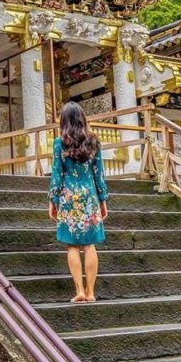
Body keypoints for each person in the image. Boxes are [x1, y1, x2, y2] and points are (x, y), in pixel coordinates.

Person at [48, 101, 108, 303]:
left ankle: (79, 290)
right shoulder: (93, 141)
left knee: (72, 245)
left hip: (68, 197)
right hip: (89, 195)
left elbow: (57, 174)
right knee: (89, 245)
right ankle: (91, 292)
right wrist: (103, 199)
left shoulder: (59, 143)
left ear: (64, 121)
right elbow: (99, 173)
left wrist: (53, 200)